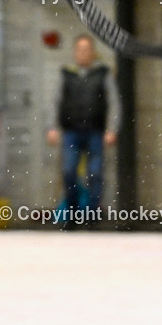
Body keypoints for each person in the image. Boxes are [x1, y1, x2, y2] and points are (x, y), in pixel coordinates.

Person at [47, 34, 120, 227]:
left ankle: (92, 216)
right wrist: (52, 127)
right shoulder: (66, 73)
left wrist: (112, 129)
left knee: (95, 174)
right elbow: (55, 101)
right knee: (69, 171)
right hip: (71, 131)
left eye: (87, 49)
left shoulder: (103, 73)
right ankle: (72, 215)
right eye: (80, 49)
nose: (83, 53)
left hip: (95, 131)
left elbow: (114, 102)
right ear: (74, 52)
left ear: (93, 52)